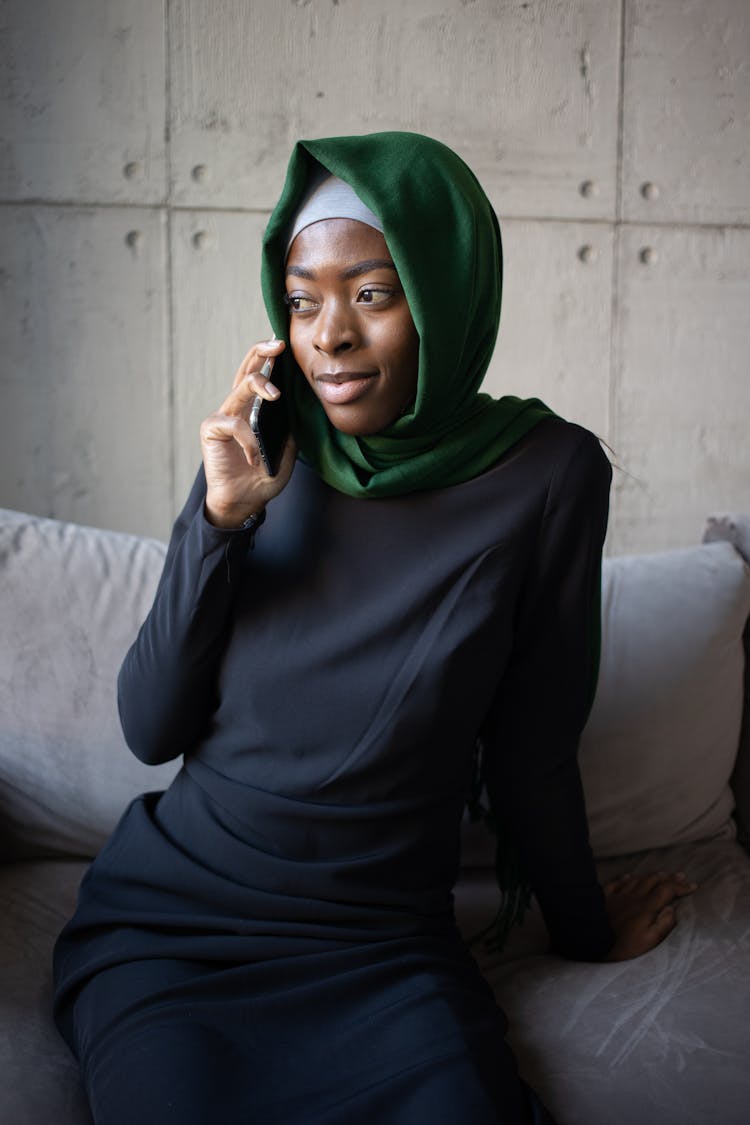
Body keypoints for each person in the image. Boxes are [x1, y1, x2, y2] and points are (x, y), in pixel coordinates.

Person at [53, 132, 695, 1124]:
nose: (329, 337)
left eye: (375, 293)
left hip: (379, 949)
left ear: (446, 293)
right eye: (303, 299)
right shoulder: (263, 440)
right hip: (178, 934)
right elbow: (150, 727)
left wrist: (582, 927)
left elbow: (531, 749)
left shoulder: (548, 474)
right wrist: (217, 522)